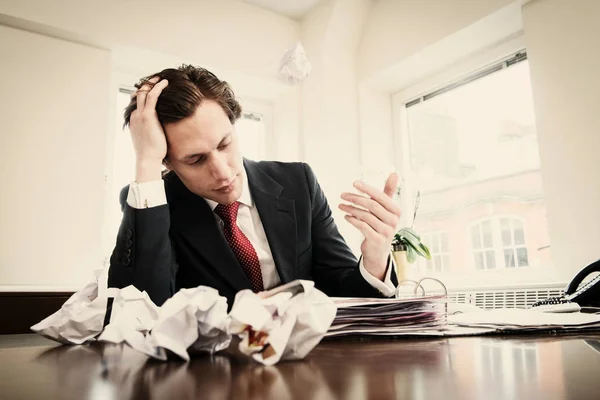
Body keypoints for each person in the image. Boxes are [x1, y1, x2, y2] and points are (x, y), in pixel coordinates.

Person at [108, 65, 401, 307]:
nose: (222, 173)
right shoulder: (153, 204)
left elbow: (342, 290)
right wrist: (146, 163)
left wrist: (375, 259)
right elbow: (137, 313)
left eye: (225, 143)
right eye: (195, 160)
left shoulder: (298, 182)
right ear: (167, 162)